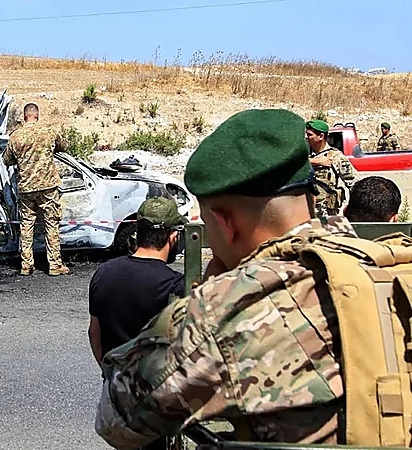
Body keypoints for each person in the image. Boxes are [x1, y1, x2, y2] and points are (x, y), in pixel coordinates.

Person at [94, 108, 383, 448]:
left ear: (225, 223)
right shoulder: (390, 267)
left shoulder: (226, 314)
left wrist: (204, 300)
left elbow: (115, 420)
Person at [88, 196, 186, 367]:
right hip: (156, 380)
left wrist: (109, 373)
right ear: (173, 237)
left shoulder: (104, 272)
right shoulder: (175, 285)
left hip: (116, 377)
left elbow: (94, 333)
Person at [3, 102, 70, 276]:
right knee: (51, 223)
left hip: (26, 187)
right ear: (37, 115)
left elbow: (6, 160)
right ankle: (54, 265)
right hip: (48, 186)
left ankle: (26, 265)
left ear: (24, 116)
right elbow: (64, 146)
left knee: (26, 225)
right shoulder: (49, 131)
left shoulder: (15, 136)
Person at [306, 119, 356, 219]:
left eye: (309, 134)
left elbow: (353, 184)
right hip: (307, 212)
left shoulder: (335, 157)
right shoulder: (307, 157)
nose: (306, 137)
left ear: (321, 136)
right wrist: (314, 161)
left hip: (325, 215)